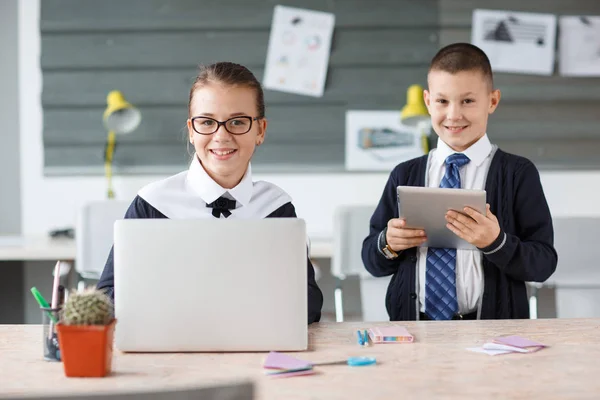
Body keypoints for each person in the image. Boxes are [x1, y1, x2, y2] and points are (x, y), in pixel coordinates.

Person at [97, 61, 323, 324]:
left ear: (260, 131)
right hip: (170, 349)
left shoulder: (276, 208)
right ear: (192, 130)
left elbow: (309, 305)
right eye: (207, 122)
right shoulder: (153, 204)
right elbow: (107, 298)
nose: (222, 135)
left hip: (252, 350)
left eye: (238, 122)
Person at [361, 43, 557, 321]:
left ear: (492, 101)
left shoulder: (518, 173)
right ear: (428, 102)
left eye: (467, 101)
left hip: (493, 332)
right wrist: (388, 242)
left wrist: (496, 242)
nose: (453, 115)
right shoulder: (404, 174)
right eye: (442, 101)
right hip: (414, 329)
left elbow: (543, 264)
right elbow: (372, 261)